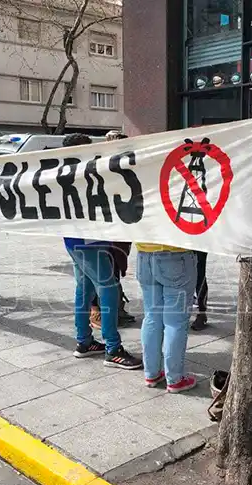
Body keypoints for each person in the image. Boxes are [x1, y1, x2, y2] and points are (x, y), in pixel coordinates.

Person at [62, 133, 142, 370]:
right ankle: (113, 349)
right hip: (91, 241)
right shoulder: (87, 173)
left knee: (84, 290)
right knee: (108, 290)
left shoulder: (62, 174)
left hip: (73, 240)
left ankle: (84, 341)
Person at [136, 242, 199, 393]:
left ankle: (151, 374)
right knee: (175, 322)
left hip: (144, 255)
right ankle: (175, 379)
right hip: (176, 255)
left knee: (151, 316)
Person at [90, 132, 136, 330]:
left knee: (114, 268)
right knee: (100, 272)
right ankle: (97, 312)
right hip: (101, 229)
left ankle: (116, 306)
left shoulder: (127, 165)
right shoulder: (97, 167)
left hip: (120, 228)